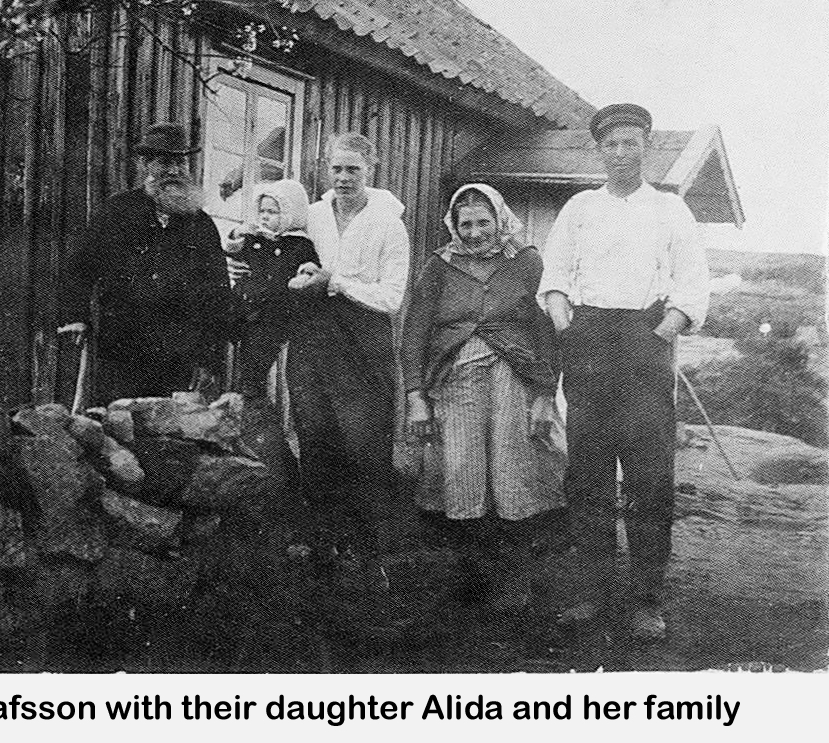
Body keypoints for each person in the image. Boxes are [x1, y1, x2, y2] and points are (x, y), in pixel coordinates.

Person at [539, 103, 710, 640]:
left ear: (646, 147)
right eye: (611, 144)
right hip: (589, 342)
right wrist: (566, 319)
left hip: (645, 340)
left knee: (648, 476)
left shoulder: (670, 210)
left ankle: (645, 600)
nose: (621, 153)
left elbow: (692, 280)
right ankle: (591, 592)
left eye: (631, 142)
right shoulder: (580, 207)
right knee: (587, 472)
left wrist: (662, 331)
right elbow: (556, 272)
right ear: (600, 150)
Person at [401, 183, 564, 613]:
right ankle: (469, 579)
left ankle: (514, 581)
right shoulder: (438, 265)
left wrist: (546, 393)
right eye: (464, 223)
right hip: (456, 376)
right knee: (461, 473)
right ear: (453, 226)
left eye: (482, 222)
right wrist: (416, 394)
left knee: (513, 471)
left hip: (515, 373)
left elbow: (544, 330)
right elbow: (415, 330)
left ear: (500, 220)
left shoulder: (527, 262)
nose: (474, 232)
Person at [287, 133, 409, 593]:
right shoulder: (314, 215)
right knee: (315, 444)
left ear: (370, 170)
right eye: (336, 169)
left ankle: (371, 554)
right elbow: (277, 245)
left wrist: (336, 281)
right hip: (313, 342)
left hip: (363, 345)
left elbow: (392, 297)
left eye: (353, 170)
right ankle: (323, 551)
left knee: (365, 450)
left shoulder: (387, 224)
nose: (343, 178)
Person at [58, 123, 233, 402]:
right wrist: (76, 317)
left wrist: (208, 359)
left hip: (179, 357)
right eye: (165, 162)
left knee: (173, 439)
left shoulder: (201, 225)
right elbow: (80, 267)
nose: (175, 171)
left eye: (181, 162)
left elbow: (217, 295)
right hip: (121, 348)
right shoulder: (118, 211)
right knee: (118, 428)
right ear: (145, 165)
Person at [222, 179, 319, 400]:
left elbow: (309, 266)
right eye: (262, 211)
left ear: (289, 214)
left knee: (260, 341)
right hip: (244, 302)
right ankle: (214, 379)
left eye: (272, 212)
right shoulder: (256, 239)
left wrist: (304, 276)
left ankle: (251, 388)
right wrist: (237, 234)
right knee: (218, 324)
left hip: (275, 308)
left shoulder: (299, 244)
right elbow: (232, 254)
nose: (264, 216)